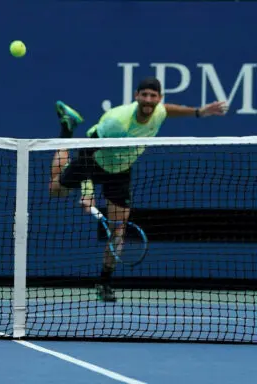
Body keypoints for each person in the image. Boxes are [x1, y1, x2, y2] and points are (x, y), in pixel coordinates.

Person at [49, 77, 227, 302]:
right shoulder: (116, 121)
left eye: (153, 96)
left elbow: (167, 111)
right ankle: (67, 130)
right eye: (144, 95)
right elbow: (86, 153)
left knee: (119, 229)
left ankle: (105, 282)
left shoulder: (158, 111)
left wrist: (199, 112)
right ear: (136, 96)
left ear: (159, 99)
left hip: (121, 170)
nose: (148, 100)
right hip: (93, 160)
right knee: (56, 190)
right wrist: (87, 192)